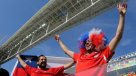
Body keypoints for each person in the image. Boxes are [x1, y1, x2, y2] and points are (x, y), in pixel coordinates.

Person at [54, 3, 127, 76]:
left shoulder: (103, 54)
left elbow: (118, 37)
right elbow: (66, 51)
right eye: (85, 42)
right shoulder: (79, 57)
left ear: (95, 42)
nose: (87, 43)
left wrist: (122, 16)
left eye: (89, 41)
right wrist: (59, 40)